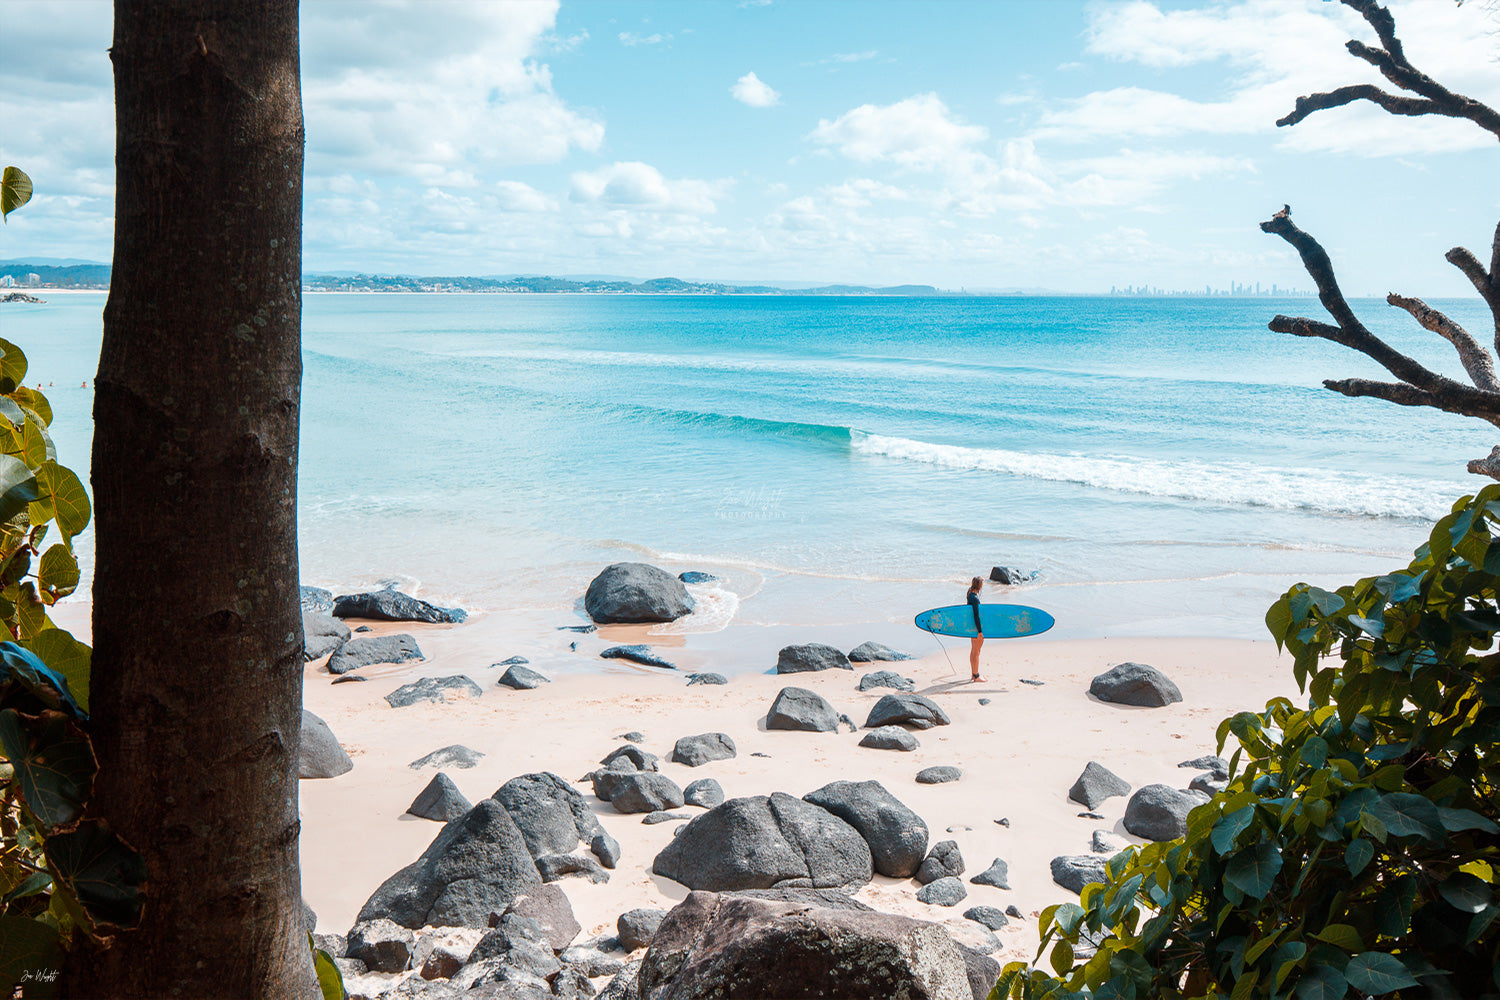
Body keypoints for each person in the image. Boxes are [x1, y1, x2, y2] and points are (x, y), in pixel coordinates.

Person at [967, 576, 985, 682]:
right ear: (979, 586)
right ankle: (976, 676)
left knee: (974, 651)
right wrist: (980, 631)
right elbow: (976, 616)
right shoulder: (975, 598)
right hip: (976, 629)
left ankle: (973, 674)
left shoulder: (970, 594)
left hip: (971, 628)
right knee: (977, 651)